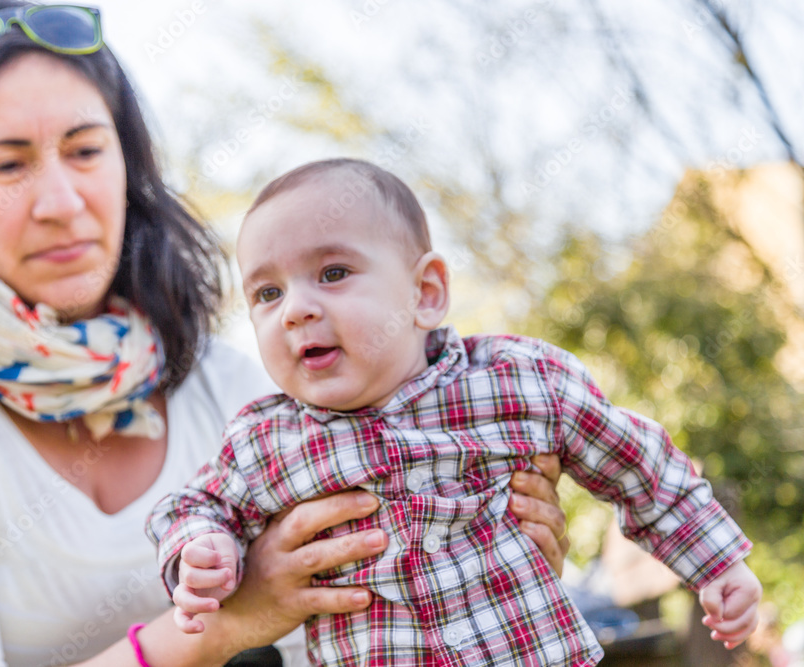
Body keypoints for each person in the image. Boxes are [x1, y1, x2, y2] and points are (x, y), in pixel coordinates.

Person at [0, 4, 572, 666]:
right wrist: (218, 627)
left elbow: (355, 625)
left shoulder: (228, 384)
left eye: (84, 150)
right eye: (7, 164)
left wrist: (486, 566)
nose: (63, 201)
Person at [147, 158, 763, 666]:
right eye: (268, 293)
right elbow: (193, 504)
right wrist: (201, 548)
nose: (295, 309)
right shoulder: (267, 437)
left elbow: (638, 463)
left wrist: (717, 563)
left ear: (426, 293)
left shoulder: (513, 380)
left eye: (332, 273)